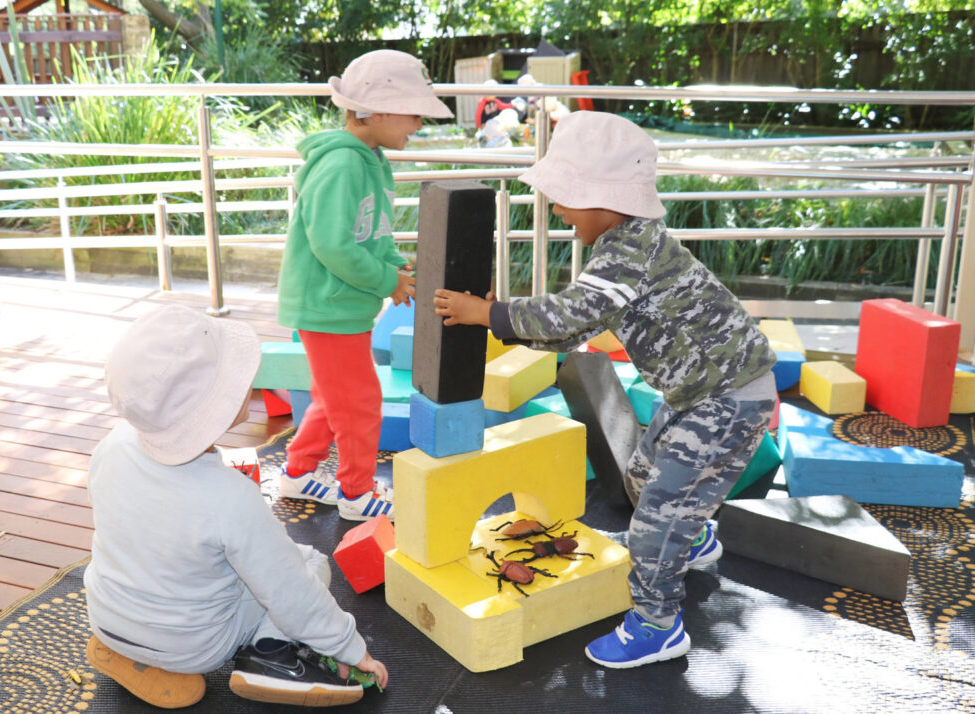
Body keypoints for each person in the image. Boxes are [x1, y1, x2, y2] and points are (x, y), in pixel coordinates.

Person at [433, 111, 777, 669]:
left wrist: (488, 312)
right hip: (700, 393)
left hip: (727, 398)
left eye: (564, 198)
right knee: (642, 478)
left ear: (604, 198)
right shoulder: (627, 243)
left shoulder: (627, 251)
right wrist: (498, 319)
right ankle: (688, 534)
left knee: (653, 525)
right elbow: (579, 328)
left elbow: (571, 313)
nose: (558, 209)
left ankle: (657, 626)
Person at [84, 305, 389, 708]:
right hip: (198, 646)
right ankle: (267, 655)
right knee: (309, 563)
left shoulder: (110, 447)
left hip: (108, 617)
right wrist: (351, 649)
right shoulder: (228, 497)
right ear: (215, 406)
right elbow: (292, 591)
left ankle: (132, 653)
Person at [276, 49, 452, 522]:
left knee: (336, 397)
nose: (418, 124)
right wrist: (385, 281)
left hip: (342, 305)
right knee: (360, 402)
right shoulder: (343, 165)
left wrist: (398, 269)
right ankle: (355, 494)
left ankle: (298, 471)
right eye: (414, 113)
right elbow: (331, 244)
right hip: (327, 307)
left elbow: (373, 232)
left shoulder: (372, 159)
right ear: (376, 110)